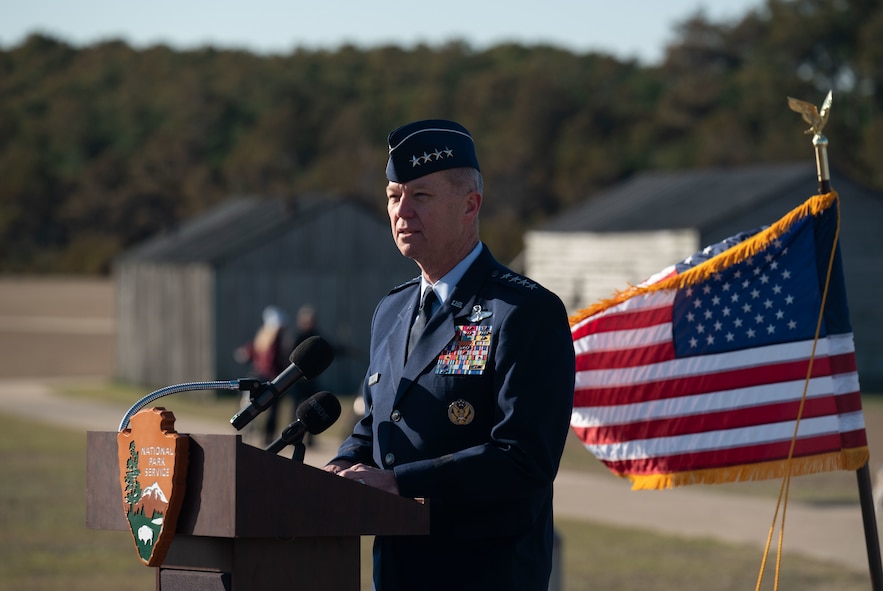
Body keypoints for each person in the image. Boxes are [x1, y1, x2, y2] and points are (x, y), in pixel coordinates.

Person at [324, 119, 575, 591]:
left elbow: (525, 459)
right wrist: (344, 468)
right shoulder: (391, 310)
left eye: (420, 196)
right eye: (394, 197)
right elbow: (377, 423)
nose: (402, 212)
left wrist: (401, 483)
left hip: (485, 573)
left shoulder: (523, 311)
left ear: (470, 205)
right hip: (398, 572)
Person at [234, 305, 293, 445]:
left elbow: (251, 351)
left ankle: (250, 432)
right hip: (272, 378)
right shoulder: (276, 339)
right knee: (272, 409)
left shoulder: (263, 336)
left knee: (253, 406)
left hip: (259, 376)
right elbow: (274, 360)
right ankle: (267, 436)